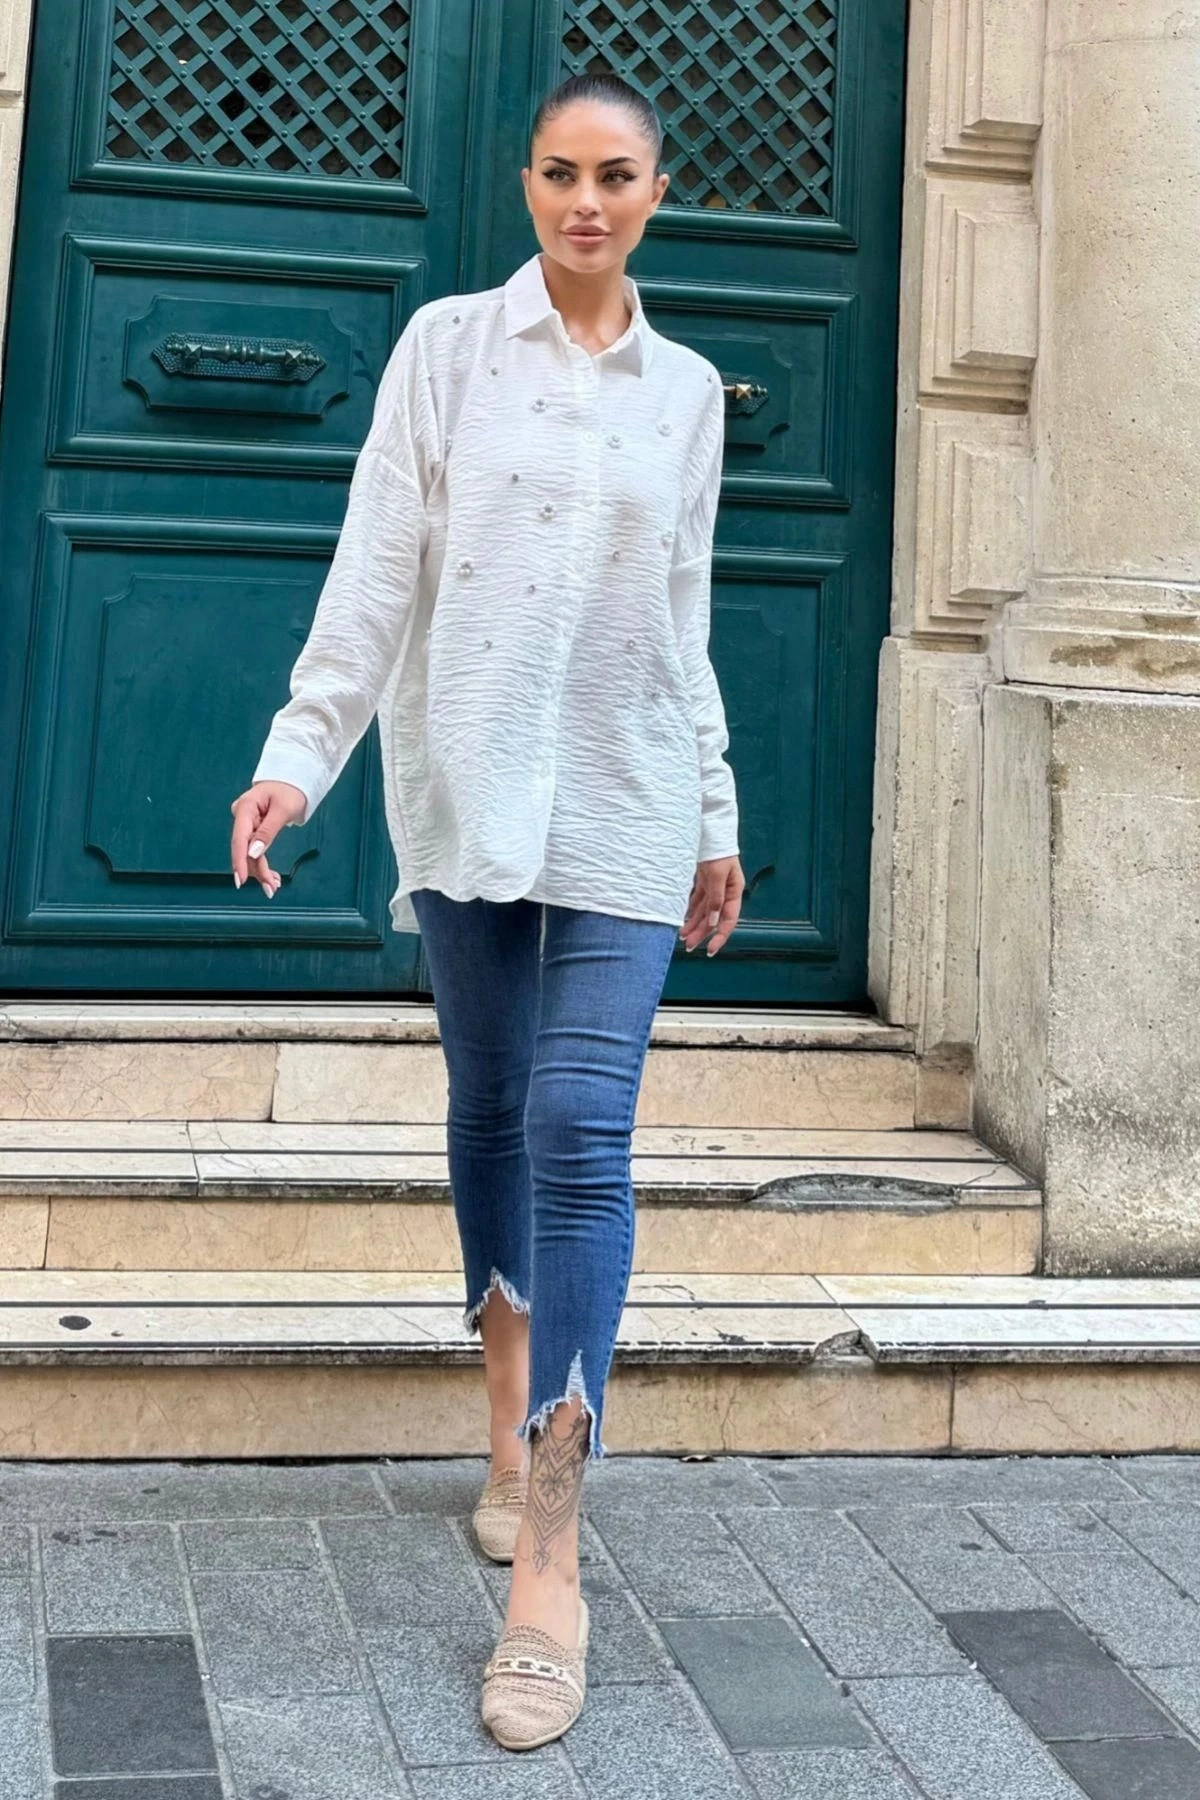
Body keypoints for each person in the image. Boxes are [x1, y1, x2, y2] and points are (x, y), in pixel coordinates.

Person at [229, 70, 743, 1752]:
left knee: (582, 1125)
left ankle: (553, 1561)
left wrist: (716, 814)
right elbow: (377, 570)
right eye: (559, 173)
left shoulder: (686, 393)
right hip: (464, 789)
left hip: (628, 797)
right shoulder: (446, 349)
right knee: (492, 1104)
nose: (585, 201)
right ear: (527, 183)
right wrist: (298, 757)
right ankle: (508, 1418)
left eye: (616, 176)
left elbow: (683, 614)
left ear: (656, 192)